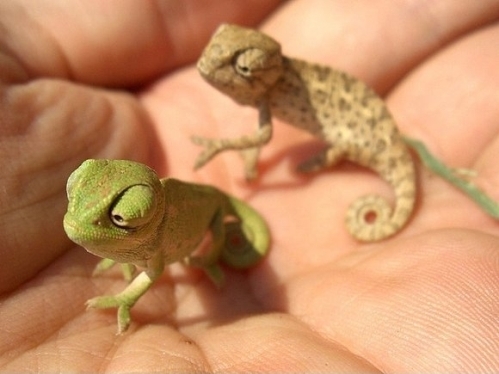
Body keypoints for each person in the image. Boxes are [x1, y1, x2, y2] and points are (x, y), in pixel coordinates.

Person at [1, 1, 498, 371]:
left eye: (125, 216)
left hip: (339, 144)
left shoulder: (275, 93)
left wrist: (226, 157)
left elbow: (259, 136)